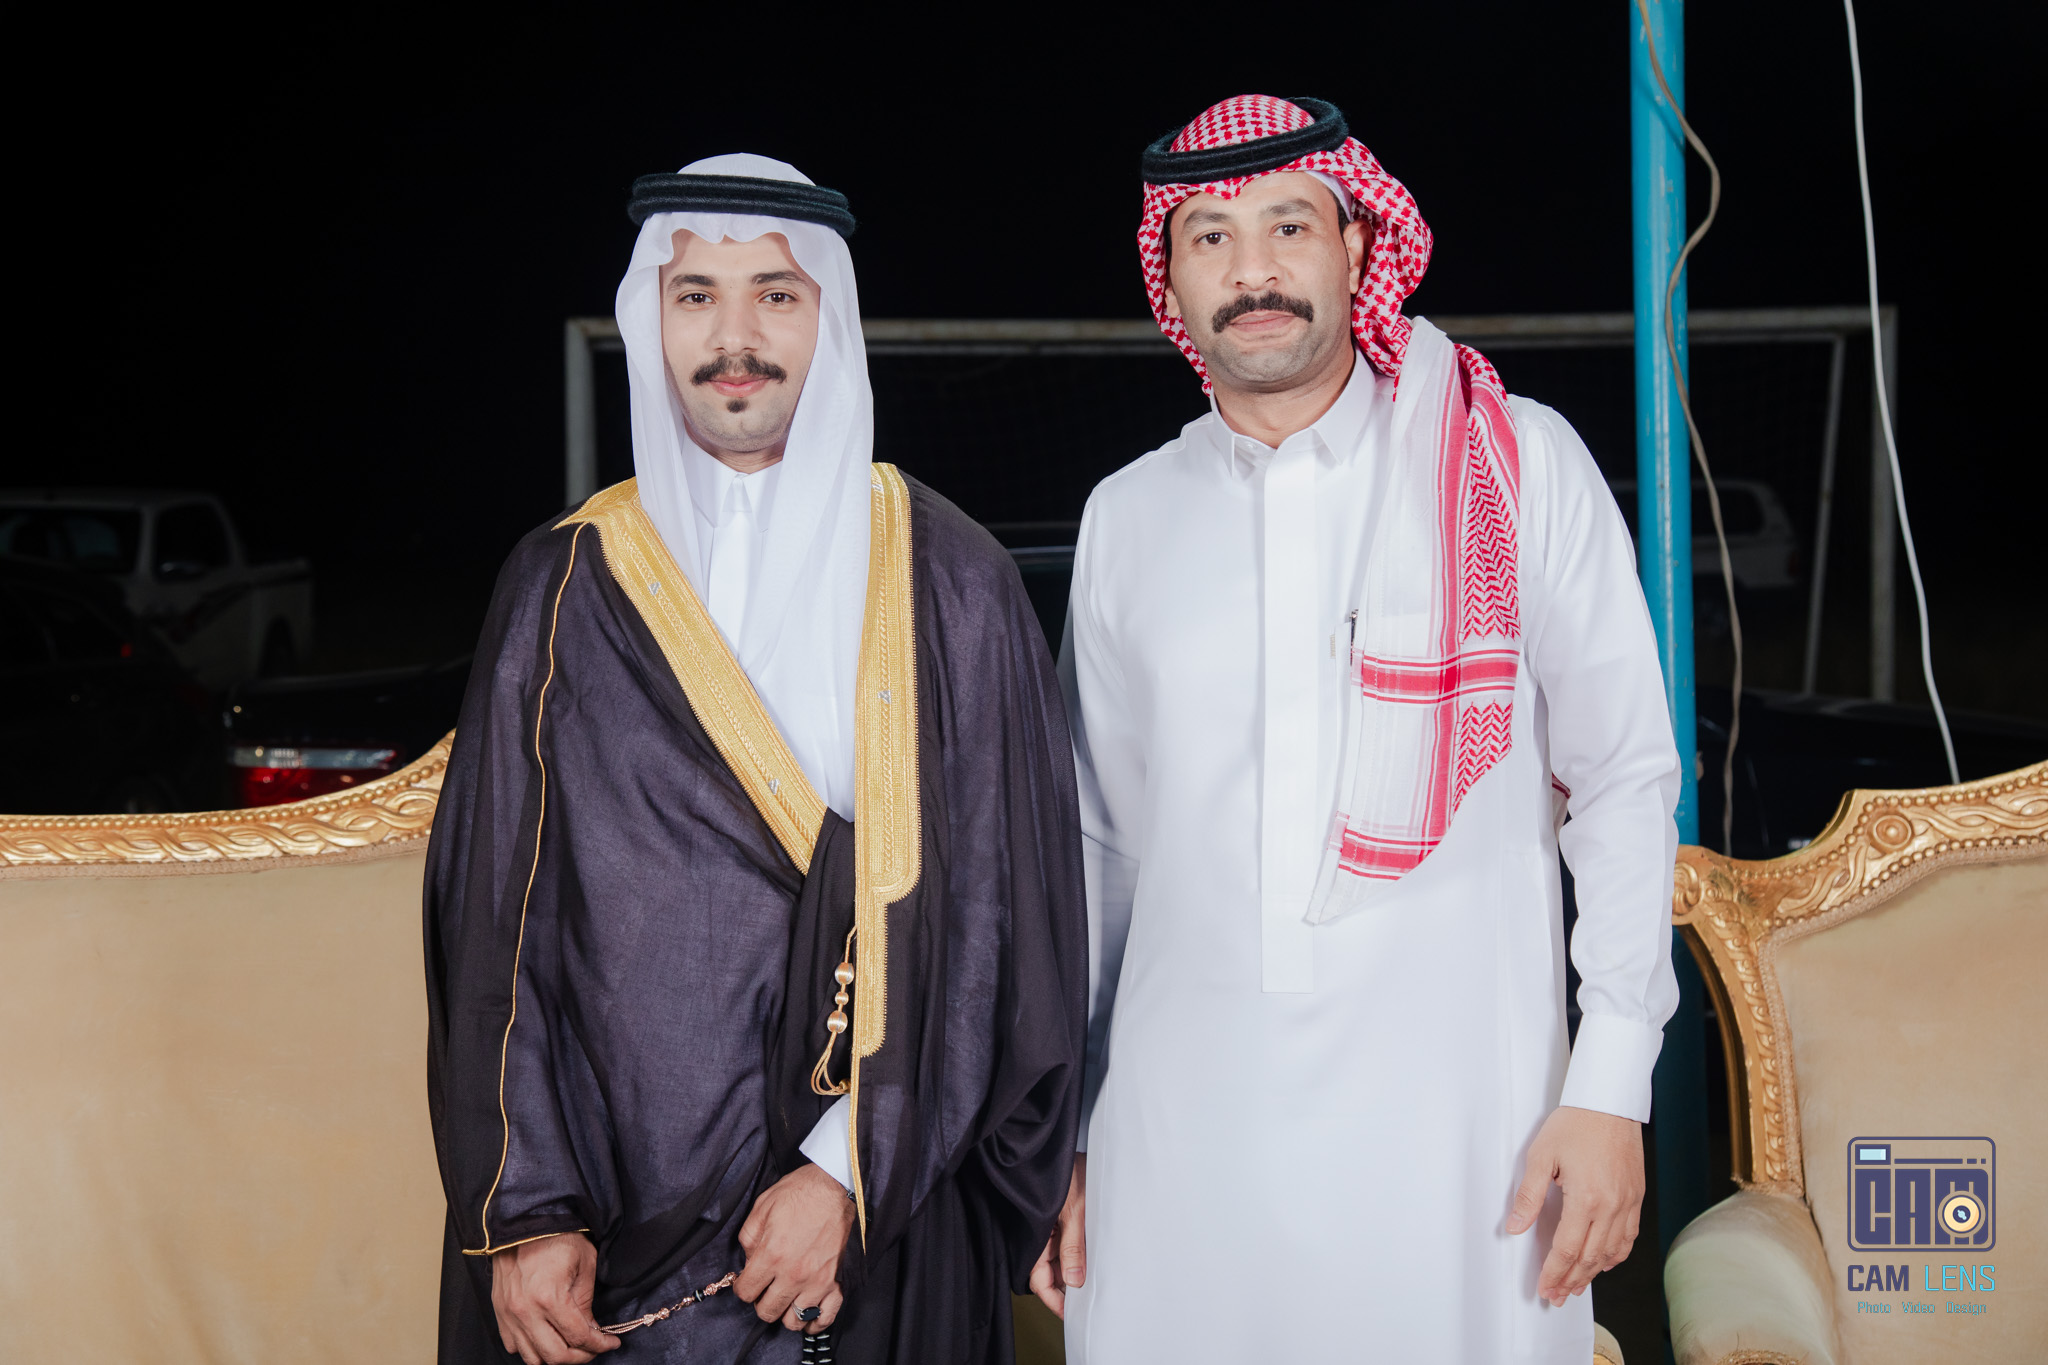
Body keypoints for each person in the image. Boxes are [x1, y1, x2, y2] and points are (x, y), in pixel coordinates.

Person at [1036, 97, 1682, 1363]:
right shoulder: (1127, 514)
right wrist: (1069, 1130)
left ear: (1355, 245)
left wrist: (1609, 1085)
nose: (1252, 270)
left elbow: (1619, 779)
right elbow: (1099, 851)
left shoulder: (1512, 462)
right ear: (1170, 277)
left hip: (1464, 1133)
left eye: (1288, 225)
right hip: (1179, 1136)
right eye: (1209, 238)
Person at [426, 154, 1087, 1365]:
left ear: (829, 315)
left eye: (775, 294)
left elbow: (998, 922)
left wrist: (845, 1173)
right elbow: (496, 932)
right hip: (604, 1233)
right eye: (696, 296)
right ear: (651, 320)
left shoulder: (953, 582)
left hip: (869, 1220)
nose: (734, 338)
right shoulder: (560, 582)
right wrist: (527, 1210)